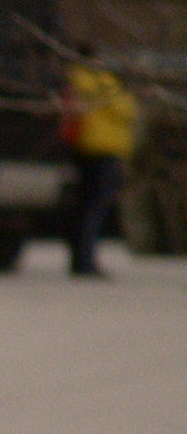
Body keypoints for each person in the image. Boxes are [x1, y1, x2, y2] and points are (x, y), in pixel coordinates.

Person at [63, 44, 138, 279]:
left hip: (83, 146)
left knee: (85, 205)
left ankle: (80, 257)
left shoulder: (72, 79)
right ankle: (86, 259)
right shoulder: (101, 81)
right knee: (96, 206)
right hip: (103, 147)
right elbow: (125, 110)